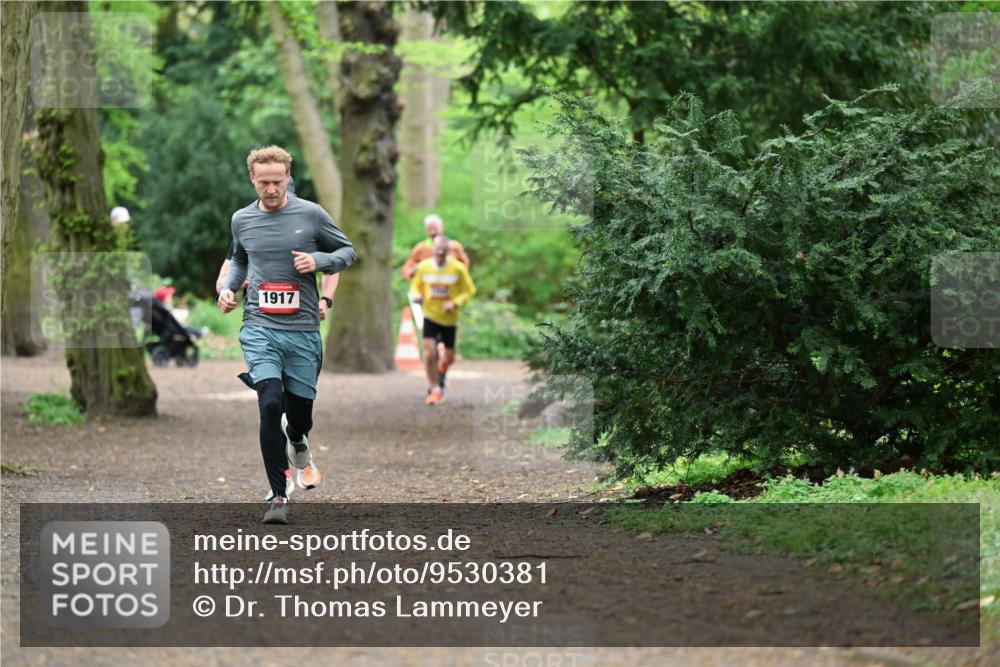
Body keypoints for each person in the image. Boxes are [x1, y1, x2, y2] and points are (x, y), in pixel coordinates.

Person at [218, 145, 356, 524]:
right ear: (253, 179)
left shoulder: (311, 215)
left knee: (299, 417)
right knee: (268, 402)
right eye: (264, 183)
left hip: (303, 330)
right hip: (259, 324)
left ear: (287, 177)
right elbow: (240, 259)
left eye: (278, 182)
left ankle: (297, 440)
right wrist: (229, 288)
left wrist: (319, 261)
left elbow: (347, 251)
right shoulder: (241, 220)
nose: (271, 189)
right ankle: (279, 495)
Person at [409, 235, 476, 406]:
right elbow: (415, 286)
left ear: (448, 252)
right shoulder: (424, 267)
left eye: (443, 252)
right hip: (430, 315)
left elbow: (469, 291)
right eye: (437, 251)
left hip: (449, 319)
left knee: (449, 358)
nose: (440, 255)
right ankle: (435, 388)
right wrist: (416, 295)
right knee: (430, 353)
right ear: (433, 251)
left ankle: (442, 370)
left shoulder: (458, 268)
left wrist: (455, 302)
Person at [400, 214, 470, 280]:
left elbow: (465, 264)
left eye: (435, 229)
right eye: (429, 229)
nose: (433, 232)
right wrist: (413, 272)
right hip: (427, 287)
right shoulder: (420, 248)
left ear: (442, 228)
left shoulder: (454, 246)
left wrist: (456, 272)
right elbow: (406, 269)